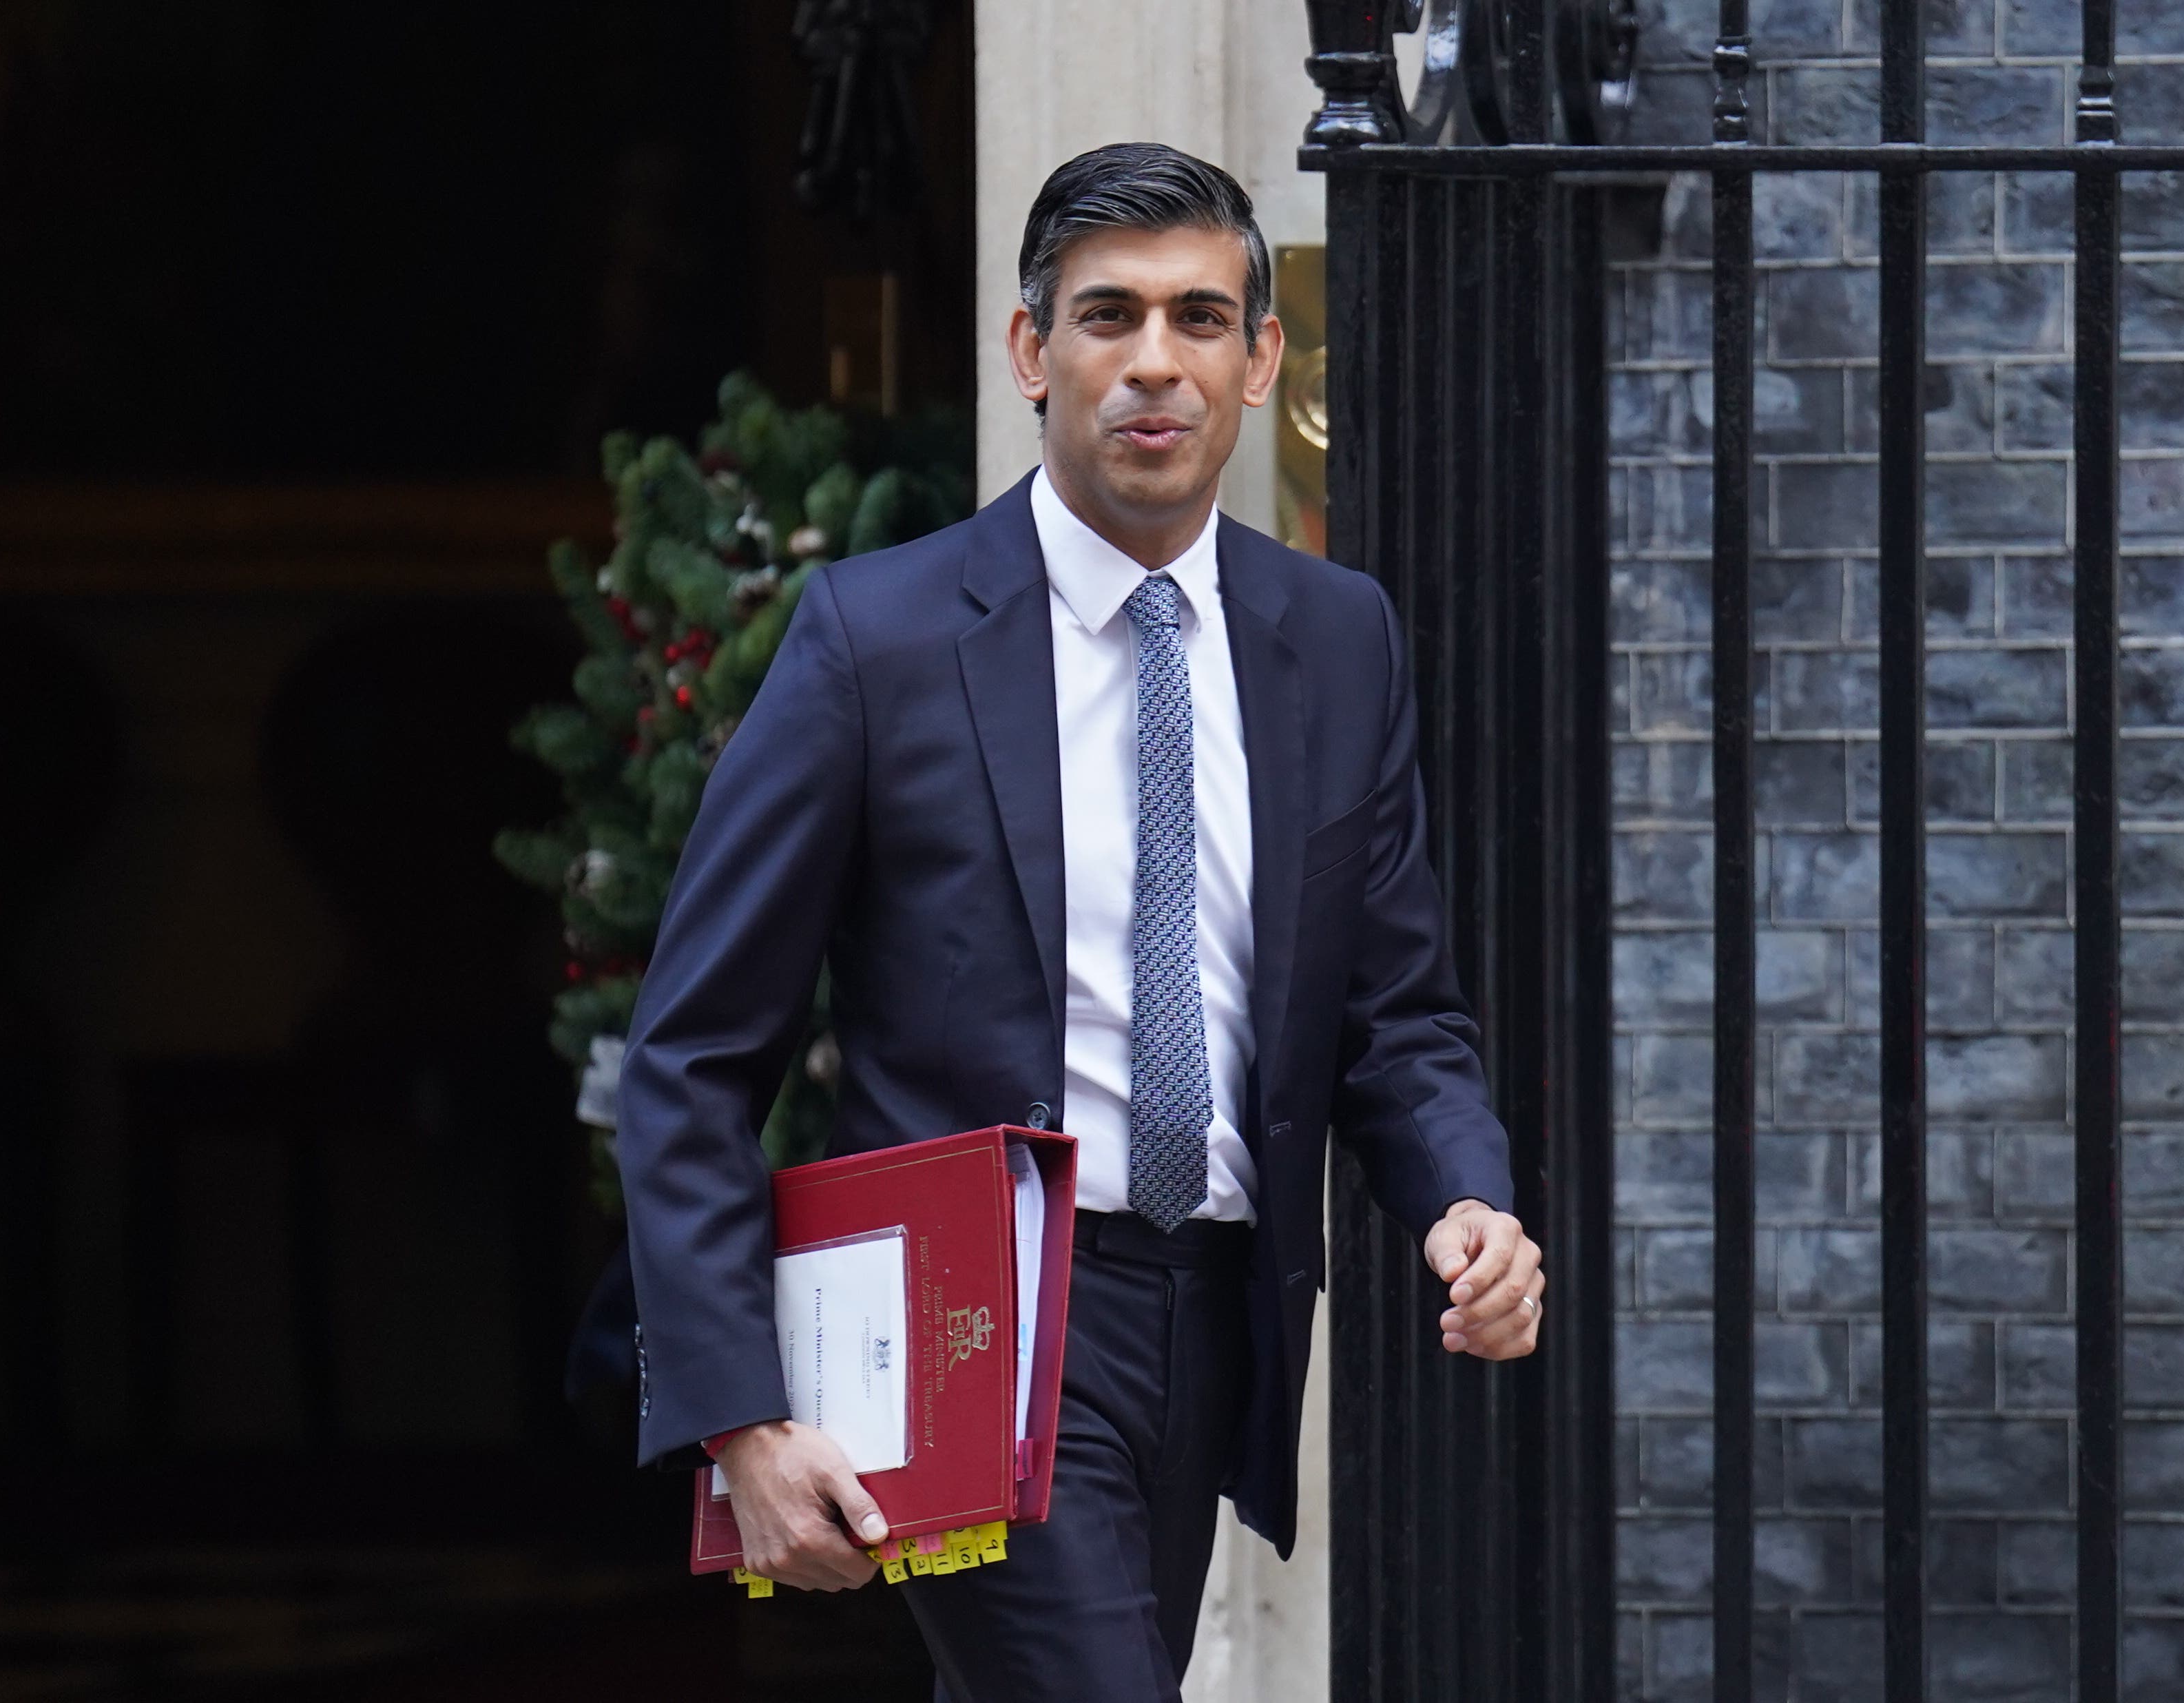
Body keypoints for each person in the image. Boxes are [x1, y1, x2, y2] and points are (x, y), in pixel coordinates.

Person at [614, 141, 1543, 1700]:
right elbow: (697, 1051)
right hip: (981, 1319)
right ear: (1034, 352)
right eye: (1108, 317)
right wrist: (744, 1415)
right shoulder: (876, 640)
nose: (1152, 364)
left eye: (1198, 318)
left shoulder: (1339, 636)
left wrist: (1464, 1194)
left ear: (1261, 361)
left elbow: (1398, 1008)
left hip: (1227, 1316)